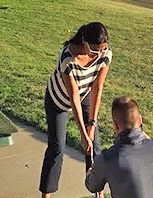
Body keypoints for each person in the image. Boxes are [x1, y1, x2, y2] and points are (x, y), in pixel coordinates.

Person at [40, 22, 111, 198]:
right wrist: (83, 134)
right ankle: (46, 195)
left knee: (94, 146)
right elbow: (73, 99)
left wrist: (92, 125)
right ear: (84, 42)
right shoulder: (67, 58)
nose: (99, 54)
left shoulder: (105, 53)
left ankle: (98, 193)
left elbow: (98, 88)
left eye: (103, 49)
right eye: (95, 50)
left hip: (85, 93)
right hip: (58, 100)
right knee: (57, 147)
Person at [85, 96, 153, 198]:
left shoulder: (108, 159)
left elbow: (92, 186)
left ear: (116, 125)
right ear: (140, 120)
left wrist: (91, 171)